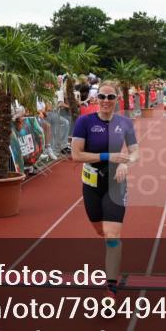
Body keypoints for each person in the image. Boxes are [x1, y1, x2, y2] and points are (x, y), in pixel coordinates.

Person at [71, 80, 139, 299]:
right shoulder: (84, 122)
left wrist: (125, 163)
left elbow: (136, 151)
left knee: (111, 235)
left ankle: (111, 286)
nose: (106, 101)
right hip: (91, 185)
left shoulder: (125, 123)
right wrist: (109, 156)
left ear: (117, 100)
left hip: (115, 185)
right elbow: (76, 155)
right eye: (102, 97)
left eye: (111, 97)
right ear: (96, 98)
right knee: (100, 231)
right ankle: (112, 247)